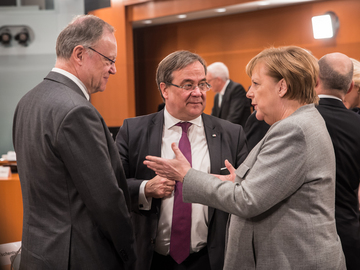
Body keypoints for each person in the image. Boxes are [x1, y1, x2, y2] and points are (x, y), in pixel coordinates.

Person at [144, 46, 346, 270]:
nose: (249, 93)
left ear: (282, 87)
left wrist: (186, 175)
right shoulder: (296, 123)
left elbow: (247, 200)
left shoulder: (293, 130)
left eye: (256, 84)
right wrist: (236, 182)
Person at [12, 15, 136, 269]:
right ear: (80, 54)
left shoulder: (27, 101)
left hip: (38, 253)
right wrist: (130, 254)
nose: (113, 69)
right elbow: (107, 201)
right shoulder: (76, 110)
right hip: (79, 256)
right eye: (109, 60)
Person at [115, 50, 248, 270]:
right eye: (188, 85)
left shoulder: (231, 134)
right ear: (164, 89)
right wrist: (146, 188)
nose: (198, 92)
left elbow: (248, 192)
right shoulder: (134, 131)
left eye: (202, 84)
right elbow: (113, 184)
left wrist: (233, 184)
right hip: (151, 259)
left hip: (211, 258)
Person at [315, 52, 360, 270]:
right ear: (350, 87)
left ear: (315, 79)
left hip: (310, 234)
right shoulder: (357, 124)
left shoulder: (298, 120)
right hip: (349, 228)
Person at [207, 62, 251, 126]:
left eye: (209, 81)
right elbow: (213, 117)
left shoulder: (236, 89)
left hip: (238, 134)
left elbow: (234, 118)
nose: (208, 85)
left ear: (218, 80)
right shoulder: (217, 96)